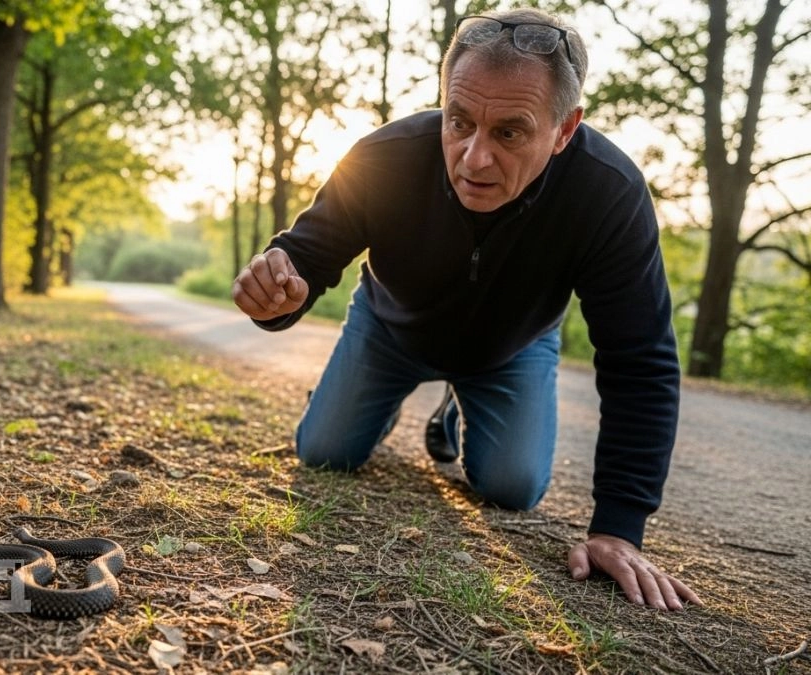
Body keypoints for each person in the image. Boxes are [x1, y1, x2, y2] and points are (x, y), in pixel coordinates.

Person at [232, 7, 702, 611]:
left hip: (513, 346)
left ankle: (458, 406)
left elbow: (640, 360)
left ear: (564, 130)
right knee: (323, 452)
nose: (474, 158)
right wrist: (274, 296)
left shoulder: (608, 193)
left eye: (510, 132)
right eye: (459, 122)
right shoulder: (386, 155)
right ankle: (366, 393)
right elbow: (304, 258)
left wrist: (619, 524)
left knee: (513, 487)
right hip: (388, 327)